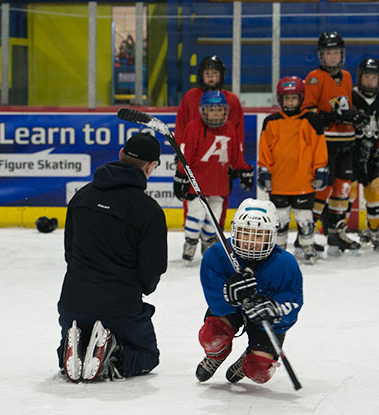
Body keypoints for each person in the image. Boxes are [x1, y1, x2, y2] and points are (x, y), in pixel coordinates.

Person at [57, 132, 168, 382]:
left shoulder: (81, 196)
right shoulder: (149, 211)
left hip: (73, 301)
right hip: (119, 306)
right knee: (148, 355)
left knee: (78, 327)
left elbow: (70, 253)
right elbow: (153, 268)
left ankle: (73, 348)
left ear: (120, 155)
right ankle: (113, 352)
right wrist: (137, 290)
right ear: (151, 167)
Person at [195, 198, 303, 385]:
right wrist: (227, 295)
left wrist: (276, 310)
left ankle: (248, 360)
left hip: (262, 320)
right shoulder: (218, 255)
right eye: (245, 233)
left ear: (272, 235)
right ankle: (217, 355)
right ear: (235, 230)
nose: (250, 242)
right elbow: (215, 301)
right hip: (231, 312)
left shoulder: (286, 264)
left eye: (259, 235)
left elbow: (292, 304)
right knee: (212, 337)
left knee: (260, 371)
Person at [302, 32, 369, 253]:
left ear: (341, 54)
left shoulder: (348, 77)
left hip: (347, 140)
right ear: (321, 55)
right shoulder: (314, 77)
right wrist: (333, 117)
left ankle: (336, 233)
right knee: (324, 186)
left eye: (336, 52)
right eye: (328, 53)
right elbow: (309, 113)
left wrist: (354, 116)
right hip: (326, 142)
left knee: (343, 187)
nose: (332, 57)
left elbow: (345, 106)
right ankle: (306, 234)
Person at [174, 91, 253, 263]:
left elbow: (235, 157)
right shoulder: (194, 127)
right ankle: (191, 241)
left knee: (214, 220)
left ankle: (207, 242)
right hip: (197, 184)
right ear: (203, 111)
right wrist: (181, 175)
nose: (216, 114)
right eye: (211, 110)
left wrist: (245, 170)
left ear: (225, 111)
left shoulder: (230, 128)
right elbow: (186, 156)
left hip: (219, 184)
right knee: (195, 216)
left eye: (219, 110)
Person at [258, 76, 328, 263]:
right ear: (280, 99)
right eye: (287, 98)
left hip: (304, 182)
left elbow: (319, 148)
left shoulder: (311, 120)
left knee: (305, 220)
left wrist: (320, 169)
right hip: (279, 183)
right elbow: (265, 150)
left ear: (301, 98)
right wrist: (264, 170)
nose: (290, 101)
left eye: (294, 98)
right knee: (279, 221)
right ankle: (279, 253)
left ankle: (308, 247)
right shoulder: (270, 122)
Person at [174, 55, 247, 232]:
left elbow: (237, 133)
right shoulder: (191, 97)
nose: (211, 77)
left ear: (221, 75)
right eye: (207, 73)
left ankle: (215, 234)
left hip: (220, 161)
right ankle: (191, 235)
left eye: (215, 73)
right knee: (192, 199)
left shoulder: (231, 100)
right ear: (201, 75)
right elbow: (181, 126)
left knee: (219, 200)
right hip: (194, 159)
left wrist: (235, 161)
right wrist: (180, 155)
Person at [350, 58, 379, 249]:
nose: (370, 80)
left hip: (374, 154)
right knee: (347, 192)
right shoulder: (351, 95)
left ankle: (375, 231)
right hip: (351, 153)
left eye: (374, 77)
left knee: (375, 191)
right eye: (367, 76)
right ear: (360, 77)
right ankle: (337, 231)